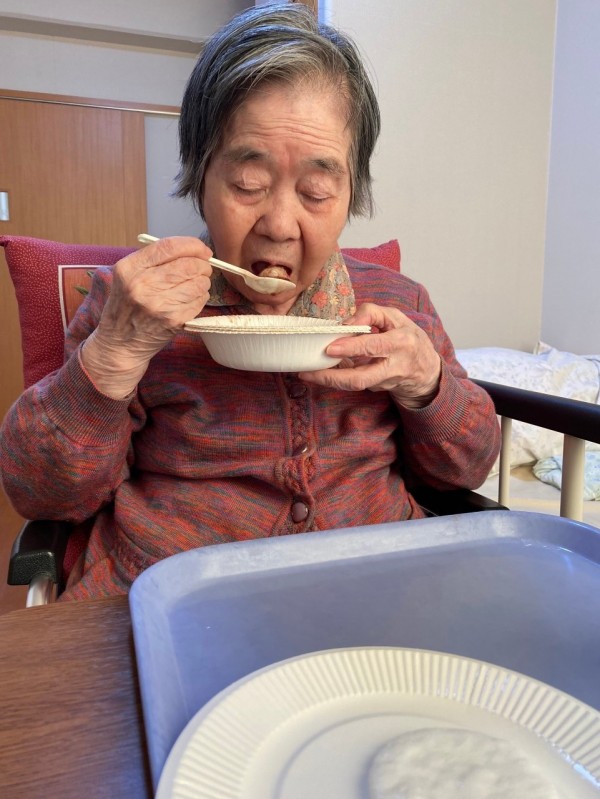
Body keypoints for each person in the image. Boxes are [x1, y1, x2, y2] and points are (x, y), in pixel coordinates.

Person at [0, 3, 500, 600]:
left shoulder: (398, 303)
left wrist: (428, 385)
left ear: (351, 192)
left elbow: (468, 468)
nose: (280, 225)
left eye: (317, 190)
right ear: (200, 175)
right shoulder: (129, 305)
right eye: (248, 185)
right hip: (173, 595)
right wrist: (112, 356)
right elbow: (43, 494)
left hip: (375, 591)